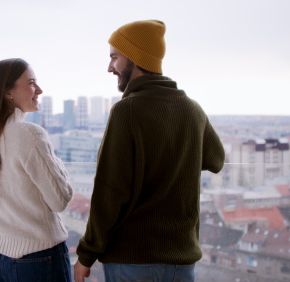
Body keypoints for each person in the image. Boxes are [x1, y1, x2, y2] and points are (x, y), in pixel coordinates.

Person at [73, 20, 225, 282]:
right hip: (181, 261)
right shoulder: (192, 109)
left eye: (115, 58)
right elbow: (216, 160)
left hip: (133, 260)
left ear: (135, 58)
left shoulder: (127, 111)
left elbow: (110, 192)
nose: (109, 67)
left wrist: (86, 255)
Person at [0, 58, 73, 282]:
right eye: (31, 83)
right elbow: (60, 199)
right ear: (8, 92)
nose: (39, 90)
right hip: (39, 258)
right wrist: (55, 161)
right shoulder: (29, 134)